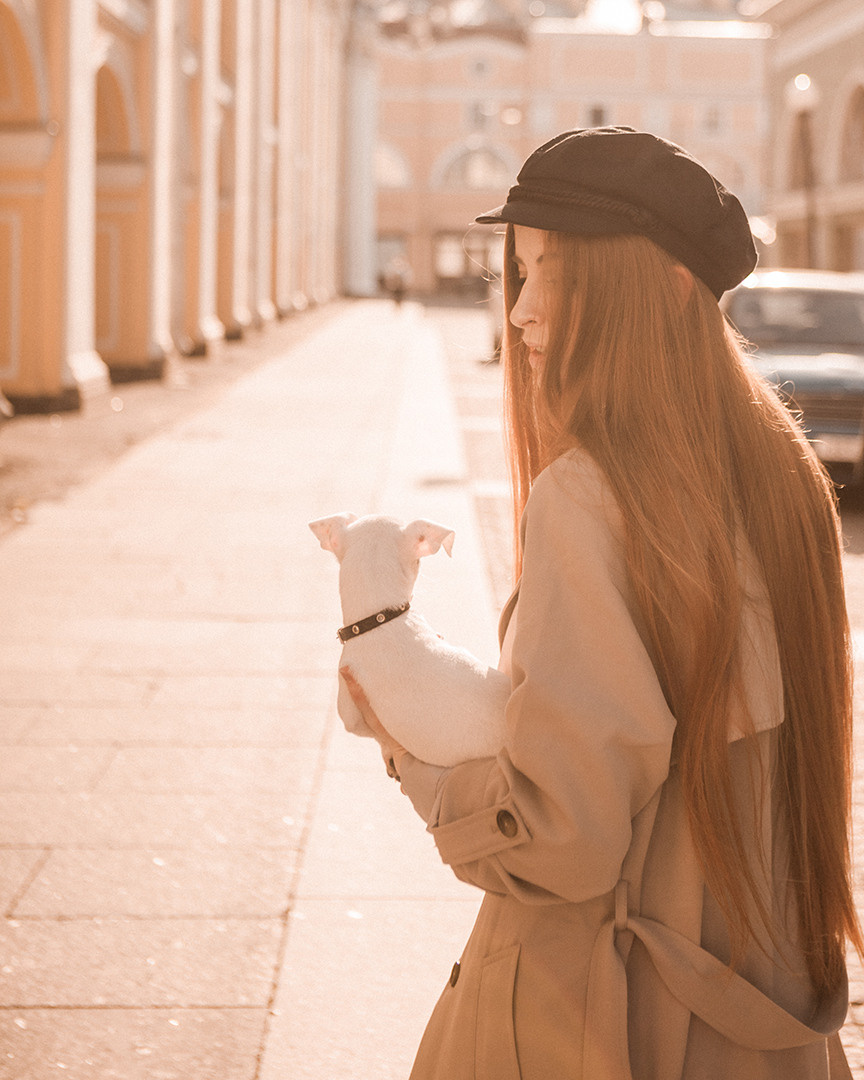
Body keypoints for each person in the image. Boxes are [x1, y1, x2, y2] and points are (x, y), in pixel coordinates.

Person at [341, 127, 863, 1079]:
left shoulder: (590, 497)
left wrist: (402, 740)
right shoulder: (785, 473)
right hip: (765, 1013)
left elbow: (558, 841)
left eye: (556, 275)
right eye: (521, 272)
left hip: (604, 1021)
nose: (523, 312)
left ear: (661, 289)